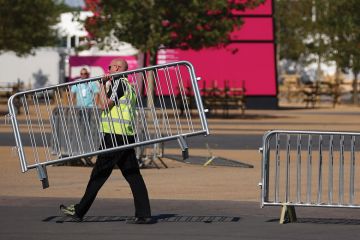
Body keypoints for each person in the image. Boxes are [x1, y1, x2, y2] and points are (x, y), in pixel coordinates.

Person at [60, 58, 153, 224]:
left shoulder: (118, 83)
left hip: (115, 136)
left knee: (99, 174)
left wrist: (102, 85)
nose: (108, 69)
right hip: (125, 134)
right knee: (132, 174)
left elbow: (104, 104)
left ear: (117, 68)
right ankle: (144, 213)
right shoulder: (128, 85)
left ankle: (79, 211)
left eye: (109, 67)